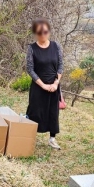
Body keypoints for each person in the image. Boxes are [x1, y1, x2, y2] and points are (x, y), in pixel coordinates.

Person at [26, 18, 63, 150]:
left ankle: (52, 139)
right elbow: (30, 69)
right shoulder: (32, 48)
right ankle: (29, 137)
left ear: (49, 32)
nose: (43, 35)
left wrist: (56, 83)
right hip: (38, 86)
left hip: (54, 86)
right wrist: (43, 85)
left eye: (45, 32)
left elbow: (60, 66)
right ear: (35, 33)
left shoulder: (56, 46)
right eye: (40, 32)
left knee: (53, 112)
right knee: (35, 111)